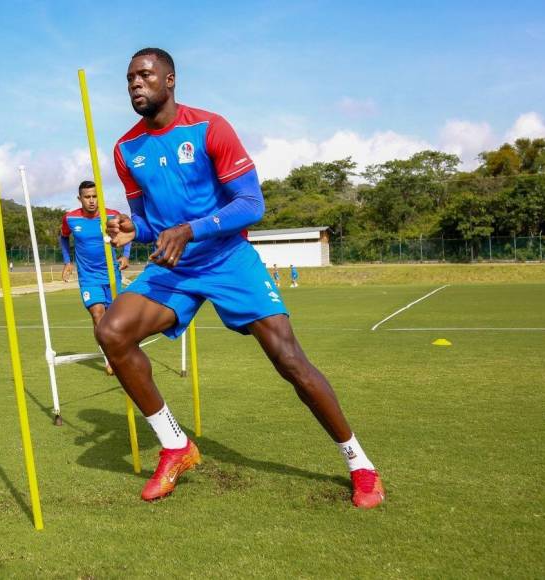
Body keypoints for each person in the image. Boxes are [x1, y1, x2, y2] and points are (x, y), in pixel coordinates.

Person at [99, 48, 384, 507]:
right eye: (130, 77)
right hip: (176, 265)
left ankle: (360, 464)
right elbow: (147, 222)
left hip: (228, 257)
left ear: (170, 80)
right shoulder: (125, 149)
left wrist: (190, 230)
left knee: (290, 360)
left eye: (145, 75)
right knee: (112, 331)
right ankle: (175, 445)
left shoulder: (210, 127)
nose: (135, 84)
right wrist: (135, 230)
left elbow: (252, 205)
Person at [61, 180, 131, 375]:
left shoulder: (112, 215)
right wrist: (68, 261)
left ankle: (120, 350)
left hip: (111, 275)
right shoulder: (70, 219)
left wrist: (126, 255)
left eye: (94, 196)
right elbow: (63, 237)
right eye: (87, 197)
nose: (91, 201)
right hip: (88, 277)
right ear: (80, 198)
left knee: (115, 318)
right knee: (97, 313)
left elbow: (127, 234)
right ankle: (110, 357)